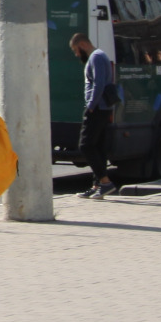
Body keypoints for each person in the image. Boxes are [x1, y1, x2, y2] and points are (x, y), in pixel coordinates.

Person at [72, 33, 118, 198]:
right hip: (102, 107)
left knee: (85, 145)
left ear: (83, 45)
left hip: (97, 108)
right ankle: (98, 184)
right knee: (98, 146)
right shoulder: (100, 56)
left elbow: (98, 83)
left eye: (77, 50)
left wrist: (91, 106)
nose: (77, 55)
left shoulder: (96, 57)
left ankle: (105, 182)